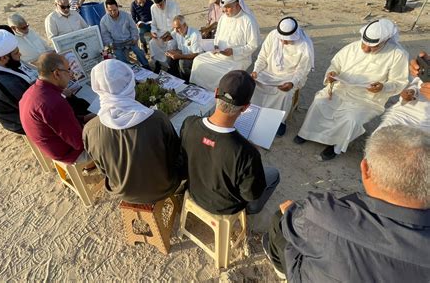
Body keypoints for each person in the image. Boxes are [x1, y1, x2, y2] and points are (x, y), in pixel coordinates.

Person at [263, 125, 430, 282]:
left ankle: (280, 269)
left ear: (365, 169)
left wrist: (291, 211)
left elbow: (293, 220)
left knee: (280, 219)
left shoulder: (324, 214)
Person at [294, 19, 409, 161]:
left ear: (385, 41)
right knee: (319, 103)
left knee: (351, 118)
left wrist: (383, 87)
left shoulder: (398, 55)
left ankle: (335, 145)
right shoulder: (353, 47)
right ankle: (307, 133)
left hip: (367, 99)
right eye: (364, 44)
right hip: (341, 88)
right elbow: (336, 65)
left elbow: (399, 82)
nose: (365, 49)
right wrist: (332, 74)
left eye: (372, 47)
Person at [180, 70, 280, 215]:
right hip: (225, 207)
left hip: (195, 192)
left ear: (215, 93)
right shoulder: (248, 153)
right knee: (273, 174)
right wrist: (252, 151)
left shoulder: (189, 123)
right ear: (246, 107)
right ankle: (251, 210)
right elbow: (250, 194)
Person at [83, 60, 183, 203]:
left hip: (123, 192)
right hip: (165, 187)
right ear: (130, 83)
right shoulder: (157, 118)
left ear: (97, 88)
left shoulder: (90, 129)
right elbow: (174, 155)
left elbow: (103, 168)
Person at [19, 53, 92, 163]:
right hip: (71, 153)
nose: (72, 74)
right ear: (57, 73)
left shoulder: (32, 91)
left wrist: (85, 118)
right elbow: (80, 143)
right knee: (117, 134)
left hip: (55, 146)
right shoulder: (53, 103)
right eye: (68, 70)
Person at [251, 17, 314, 136]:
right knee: (253, 85)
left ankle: (279, 121)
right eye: (282, 39)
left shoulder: (305, 44)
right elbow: (262, 57)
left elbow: (302, 71)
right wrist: (256, 71)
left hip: (289, 77)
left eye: (287, 40)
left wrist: (292, 83)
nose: (283, 43)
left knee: (284, 94)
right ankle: (255, 114)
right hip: (268, 72)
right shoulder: (272, 35)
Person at [190, 0, 261, 91]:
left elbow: (253, 45)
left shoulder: (248, 20)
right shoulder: (223, 18)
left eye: (228, 7)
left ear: (237, 4)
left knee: (224, 75)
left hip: (237, 58)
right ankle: (200, 90)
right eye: (224, 8)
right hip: (219, 54)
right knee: (198, 61)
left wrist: (234, 51)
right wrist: (216, 46)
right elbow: (218, 34)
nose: (224, 11)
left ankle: (217, 95)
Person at [99, 0, 151, 69]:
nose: (113, 12)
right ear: (107, 10)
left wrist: (134, 38)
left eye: (115, 10)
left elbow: (133, 28)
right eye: (110, 11)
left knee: (139, 52)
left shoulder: (126, 15)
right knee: (120, 57)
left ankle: (146, 66)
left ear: (117, 7)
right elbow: (105, 35)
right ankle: (130, 69)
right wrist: (110, 44)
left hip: (129, 40)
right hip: (116, 44)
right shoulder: (104, 21)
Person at [165, 15, 203, 82]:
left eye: (178, 28)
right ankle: (175, 78)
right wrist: (171, 52)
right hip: (185, 54)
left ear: (185, 25)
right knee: (169, 58)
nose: (176, 30)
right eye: (174, 28)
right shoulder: (177, 32)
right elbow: (171, 37)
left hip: (196, 58)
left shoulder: (195, 34)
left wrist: (180, 56)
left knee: (182, 62)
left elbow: (196, 54)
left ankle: (187, 81)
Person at [148, 0, 180, 71]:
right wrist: (154, 32)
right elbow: (154, 24)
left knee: (171, 44)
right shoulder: (153, 8)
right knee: (152, 43)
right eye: (157, 5)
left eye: (161, 4)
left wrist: (171, 34)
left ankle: (170, 66)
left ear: (165, 0)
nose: (159, 7)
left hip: (174, 33)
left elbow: (179, 22)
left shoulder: (173, 4)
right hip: (161, 34)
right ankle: (158, 63)